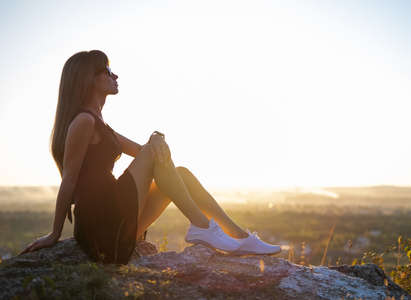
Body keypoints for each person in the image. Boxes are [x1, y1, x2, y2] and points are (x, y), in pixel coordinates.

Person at [20, 50, 281, 264]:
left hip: (117, 219)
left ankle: (239, 235)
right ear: (91, 79)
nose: (116, 75)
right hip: (101, 225)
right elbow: (69, 179)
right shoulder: (83, 122)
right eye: (108, 71)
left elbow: (146, 152)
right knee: (157, 147)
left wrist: (158, 142)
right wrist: (55, 233)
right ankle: (203, 227)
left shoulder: (100, 124)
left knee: (181, 173)